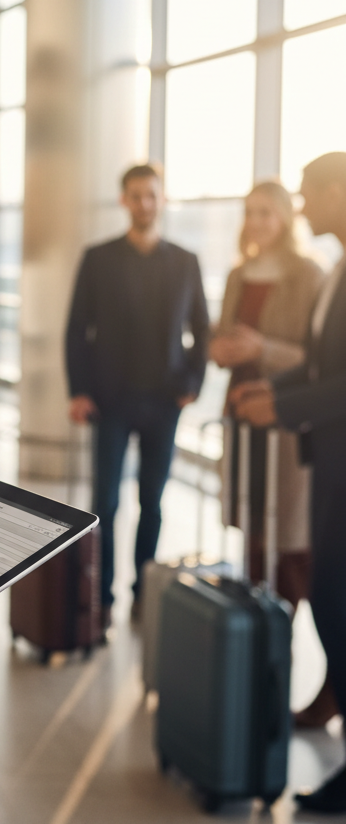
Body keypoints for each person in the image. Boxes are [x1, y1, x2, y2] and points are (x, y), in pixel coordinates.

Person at [233, 152, 346, 814]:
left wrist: (287, 406)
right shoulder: (337, 272)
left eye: (310, 193)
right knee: (331, 601)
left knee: (331, 600)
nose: (303, 205)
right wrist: (271, 392)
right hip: (328, 463)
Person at [211, 181, 335, 728]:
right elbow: (223, 338)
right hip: (246, 419)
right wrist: (223, 349)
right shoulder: (239, 273)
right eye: (249, 212)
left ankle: (313, 676)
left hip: (290, 426)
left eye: (267, 211)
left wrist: (261, 351)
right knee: (257, 540)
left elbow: (316, 360)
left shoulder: (310, 274)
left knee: (296, 548)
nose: (256, 220)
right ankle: (259, 659)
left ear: (284, 217)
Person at [66, 163, 208, 624]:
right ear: (123, 200)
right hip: (110, 401)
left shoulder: (186, 261)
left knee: (153, 501)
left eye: (151, 195)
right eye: (136, 196)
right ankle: (100, 599)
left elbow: (202, 330)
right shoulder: (98, 257)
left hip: (164, 402)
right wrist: (79, 390)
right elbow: (76, 330)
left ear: (161, 199)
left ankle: (143, 593)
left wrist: (192, 385)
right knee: (104, 503)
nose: (144, 204)